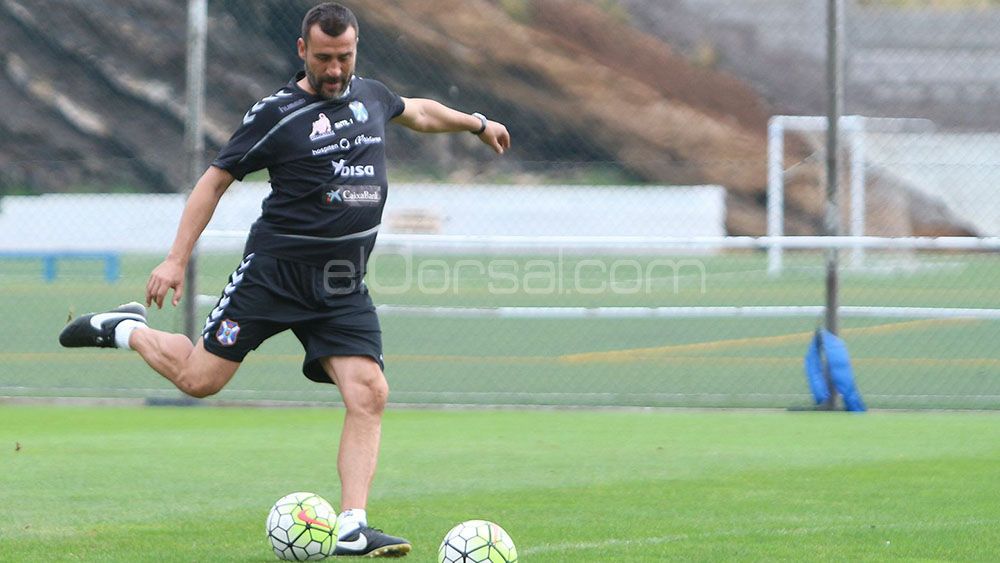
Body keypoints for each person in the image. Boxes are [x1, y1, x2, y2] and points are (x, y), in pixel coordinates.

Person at [59, 2, 510, 557]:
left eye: (345, 57)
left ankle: (351, 526)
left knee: (369, 392)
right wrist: (175, 259)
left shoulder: (371, 95)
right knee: (201, 380)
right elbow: (214, 181)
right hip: (274, 277)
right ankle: (125, 328)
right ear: (303, 51)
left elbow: (417, 111)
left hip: (342, 284)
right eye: (324, 58)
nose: (337, 69)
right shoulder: (277, 113)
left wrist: (477, 123)